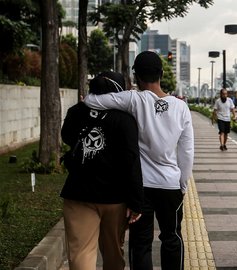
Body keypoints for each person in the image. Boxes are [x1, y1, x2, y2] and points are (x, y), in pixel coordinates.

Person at [84, 51, 194, 270]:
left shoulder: (134, 99)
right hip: (170, 185)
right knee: (171, 237)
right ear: (161, 74)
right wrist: (182, 183)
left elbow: (91, 100)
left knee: (140, 242)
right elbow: (187, 151)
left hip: (140, 187)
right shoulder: (181, 106)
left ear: (136, 77)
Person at [61, 71, 144, 270]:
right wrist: (136, 202)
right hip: (115, 198)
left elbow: (67, 137)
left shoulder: (76, 111)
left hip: (78, 193)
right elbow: (131, 161)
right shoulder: (125, 119)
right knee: (113, 254)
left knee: (81, 253)